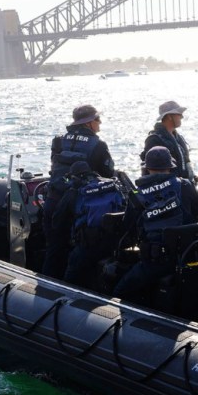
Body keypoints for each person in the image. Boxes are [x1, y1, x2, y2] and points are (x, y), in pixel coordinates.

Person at [113, 146, 198, 302]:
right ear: (170, 166)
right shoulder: (185, 185)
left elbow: (127, 227)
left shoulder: (137, 195)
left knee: (120, 291)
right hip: (189, 254)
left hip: (157, 262)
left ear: (147, 168)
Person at [42, 104, 115, 279]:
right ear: (89, 123)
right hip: (79, 207)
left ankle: (46, 291)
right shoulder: (98, 145)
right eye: (98, 119)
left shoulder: (58, 140)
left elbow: (55, 165)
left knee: (54, 248)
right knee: (83, 252)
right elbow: (108, 174)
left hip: (53, 200)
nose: (100, 122)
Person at [54, 161, 126, 289]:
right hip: (113, 243)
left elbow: (58, 220)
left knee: (70, 275)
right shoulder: (111, 186)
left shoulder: (75, 192)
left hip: (86, 246)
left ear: (74, 176)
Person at [140, 100, 197, 184]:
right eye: (179, 114)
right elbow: (153, 171)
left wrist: (192, 176)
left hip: (183, 186)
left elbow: (185, 161)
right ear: (169, 116)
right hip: (169, 191)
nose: (182, 117)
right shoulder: (154, 140)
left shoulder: (178, 138)